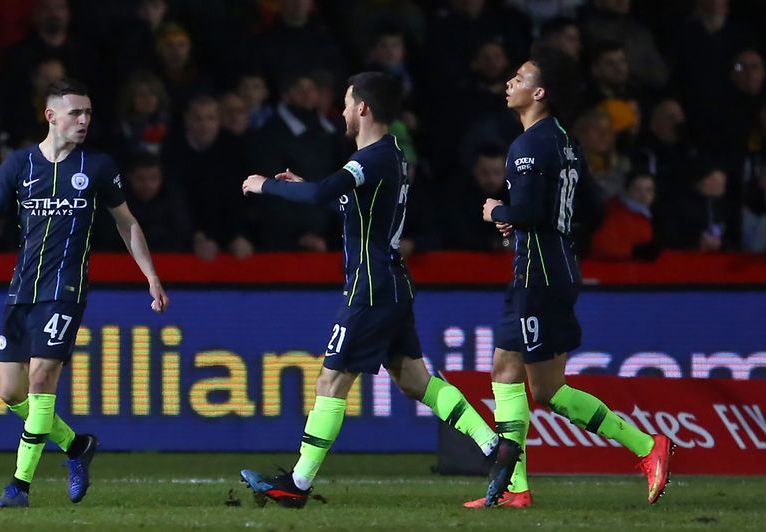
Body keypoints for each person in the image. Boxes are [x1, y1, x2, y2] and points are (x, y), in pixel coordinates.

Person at [238, 72, 508, 509]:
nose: (343, 111)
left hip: (370, 288)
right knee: (415, 380)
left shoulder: (373, 157)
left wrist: (264, 186)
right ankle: (494, 447)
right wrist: (300, 186)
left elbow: (326, 192)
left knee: (331, 379)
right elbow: (344, 201)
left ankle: (298, 485)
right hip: (391, 284)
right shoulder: (390, 156)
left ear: (362, 107)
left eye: (347, 103)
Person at [0, 78, 169, 508]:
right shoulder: (18, 165)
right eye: (75, 113)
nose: (84, 120)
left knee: (40, 378)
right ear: (51, 116)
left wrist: (151, 276)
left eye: (88, 113)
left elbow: (127, 223)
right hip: (21, 288)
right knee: (10, 393)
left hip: (65, 290)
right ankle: (76, 446)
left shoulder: (99, 166)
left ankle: (19, 485)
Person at [470, 50, 674, 508]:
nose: (510, 81)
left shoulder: (527, 146)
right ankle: (515, 489)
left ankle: (646, 446)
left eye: (519, 77)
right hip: (544, 265)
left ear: (538, 92)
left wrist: (497, 212)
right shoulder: (564, 139)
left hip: (540, 274)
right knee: (504, 370)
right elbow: (591, 209)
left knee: (545, 389)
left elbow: (530, 211)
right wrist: (541, 226)